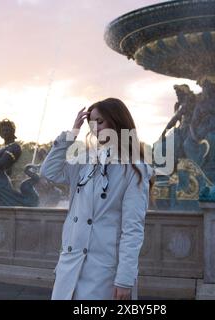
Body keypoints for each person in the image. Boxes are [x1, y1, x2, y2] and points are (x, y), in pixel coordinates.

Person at [40, 98, 155, 300]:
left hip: (103, 272)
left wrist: (125, 279)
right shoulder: (85, 160)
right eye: (91, 124)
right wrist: (71, 134)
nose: (95, 129)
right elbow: (49, 171)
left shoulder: (135, 169)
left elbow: (133, 228)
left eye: (100, 122)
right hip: (70, 266)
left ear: (116, 121)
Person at [0, 119, 39, 207]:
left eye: (7, 130)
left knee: (2, 211)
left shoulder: (15, 147)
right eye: (2, 130)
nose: (4, 132)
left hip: (0, 184)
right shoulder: (2, 147)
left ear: (12, 131)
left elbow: (3, 162)